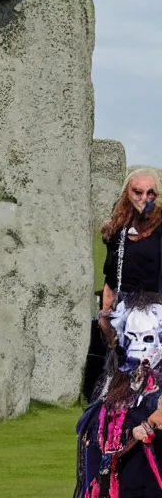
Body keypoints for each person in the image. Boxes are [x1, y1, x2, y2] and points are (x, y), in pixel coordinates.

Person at [48, 293, 162, 498]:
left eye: (149, 338)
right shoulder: (117, 387)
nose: (142, 348)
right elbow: (103, 438)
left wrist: (152, 422)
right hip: (120, 491)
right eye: (135, 338)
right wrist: (135, 432)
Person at [87, 169, 162, 401]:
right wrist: (105, 317)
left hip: (156, 313)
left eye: (151, 193)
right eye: (138, 192)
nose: (144, 198)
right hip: (124, 315)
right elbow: (110, 279)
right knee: (121, 387)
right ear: (126, 193)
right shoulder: (117, 230)